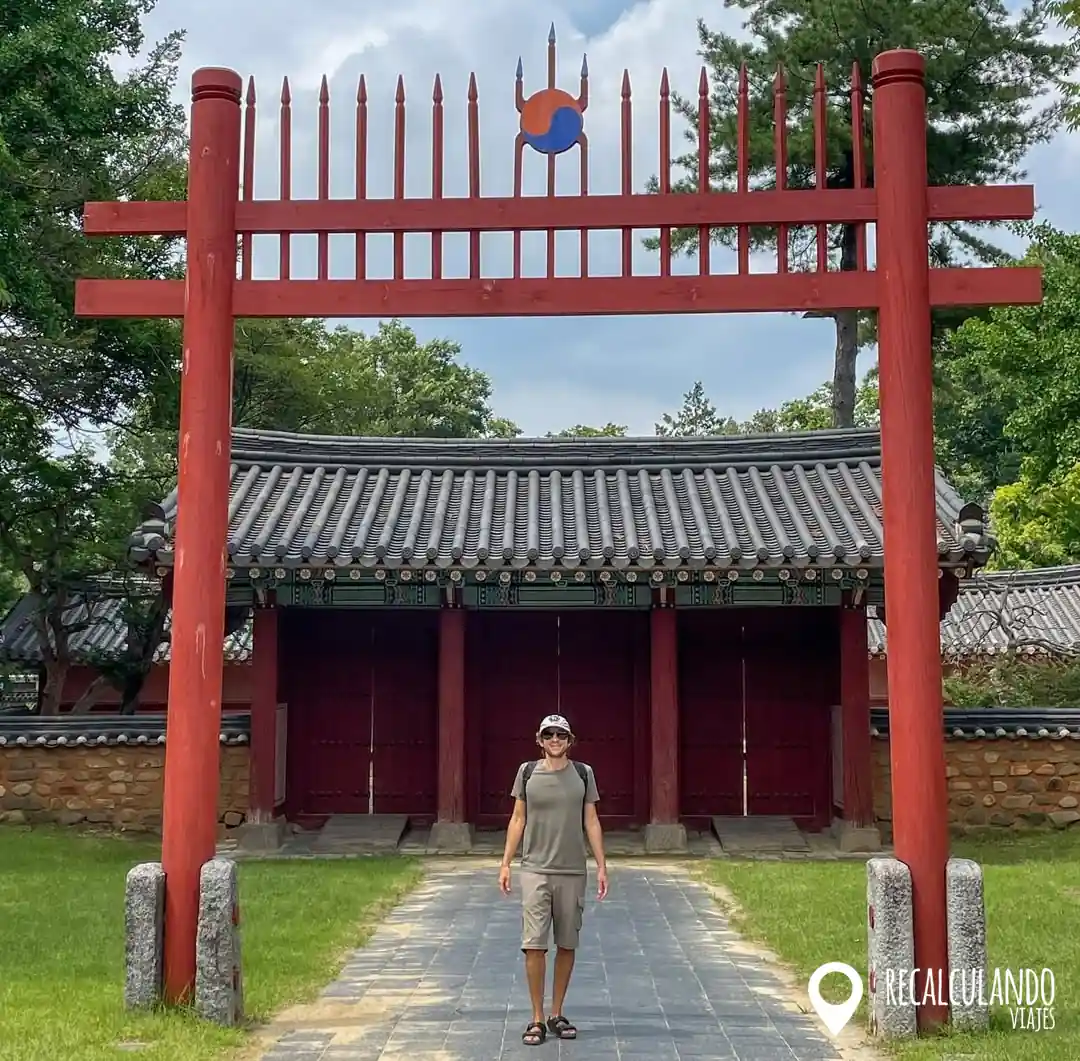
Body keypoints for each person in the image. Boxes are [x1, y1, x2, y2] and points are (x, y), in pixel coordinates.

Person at [499, 713, 608, 1047]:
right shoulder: (527, 772)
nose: (555, 740)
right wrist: (505, 863)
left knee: (567, 943)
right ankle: (536, 1017)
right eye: (549, 735)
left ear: (570, 740)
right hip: (534, 868)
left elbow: (591, 820)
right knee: (533, 944)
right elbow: (518, 818)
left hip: (572, 869)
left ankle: (556, 1012)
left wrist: (602, 865)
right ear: (539, 739)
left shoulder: (583, 774)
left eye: (561, 734)